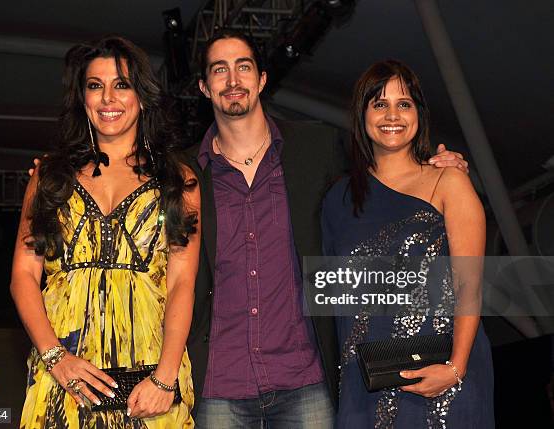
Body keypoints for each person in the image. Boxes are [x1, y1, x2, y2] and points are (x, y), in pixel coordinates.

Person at [183, 30, 468, 428]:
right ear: (203, 86)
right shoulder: (182, 173)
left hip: (306, 381)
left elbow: (387, 179)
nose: (233, 80)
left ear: (262, 79)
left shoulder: (319, 147)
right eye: (219, 70)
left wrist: (437, 164)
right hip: (218, 386)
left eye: (243, 67)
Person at [11, 36, 200, 428]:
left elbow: (182, 283)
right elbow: (23, 276)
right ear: (83, 99)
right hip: (65, 378)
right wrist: (55, 358)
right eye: (95, 86)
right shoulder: (49, 178)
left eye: (122, 84)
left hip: (148, 379)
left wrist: (165, 378)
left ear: (142, 96)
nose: (108, 98)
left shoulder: (177, 180)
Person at [321, 60, 494, 428]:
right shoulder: (338, 199)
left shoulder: (448, 181)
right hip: (364, 386)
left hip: (444, 382)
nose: (392, 115)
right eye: (379, 104)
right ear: (362, 114)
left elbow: (470, 283)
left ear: (419, 113)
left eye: (404, 104)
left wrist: (456, 368)